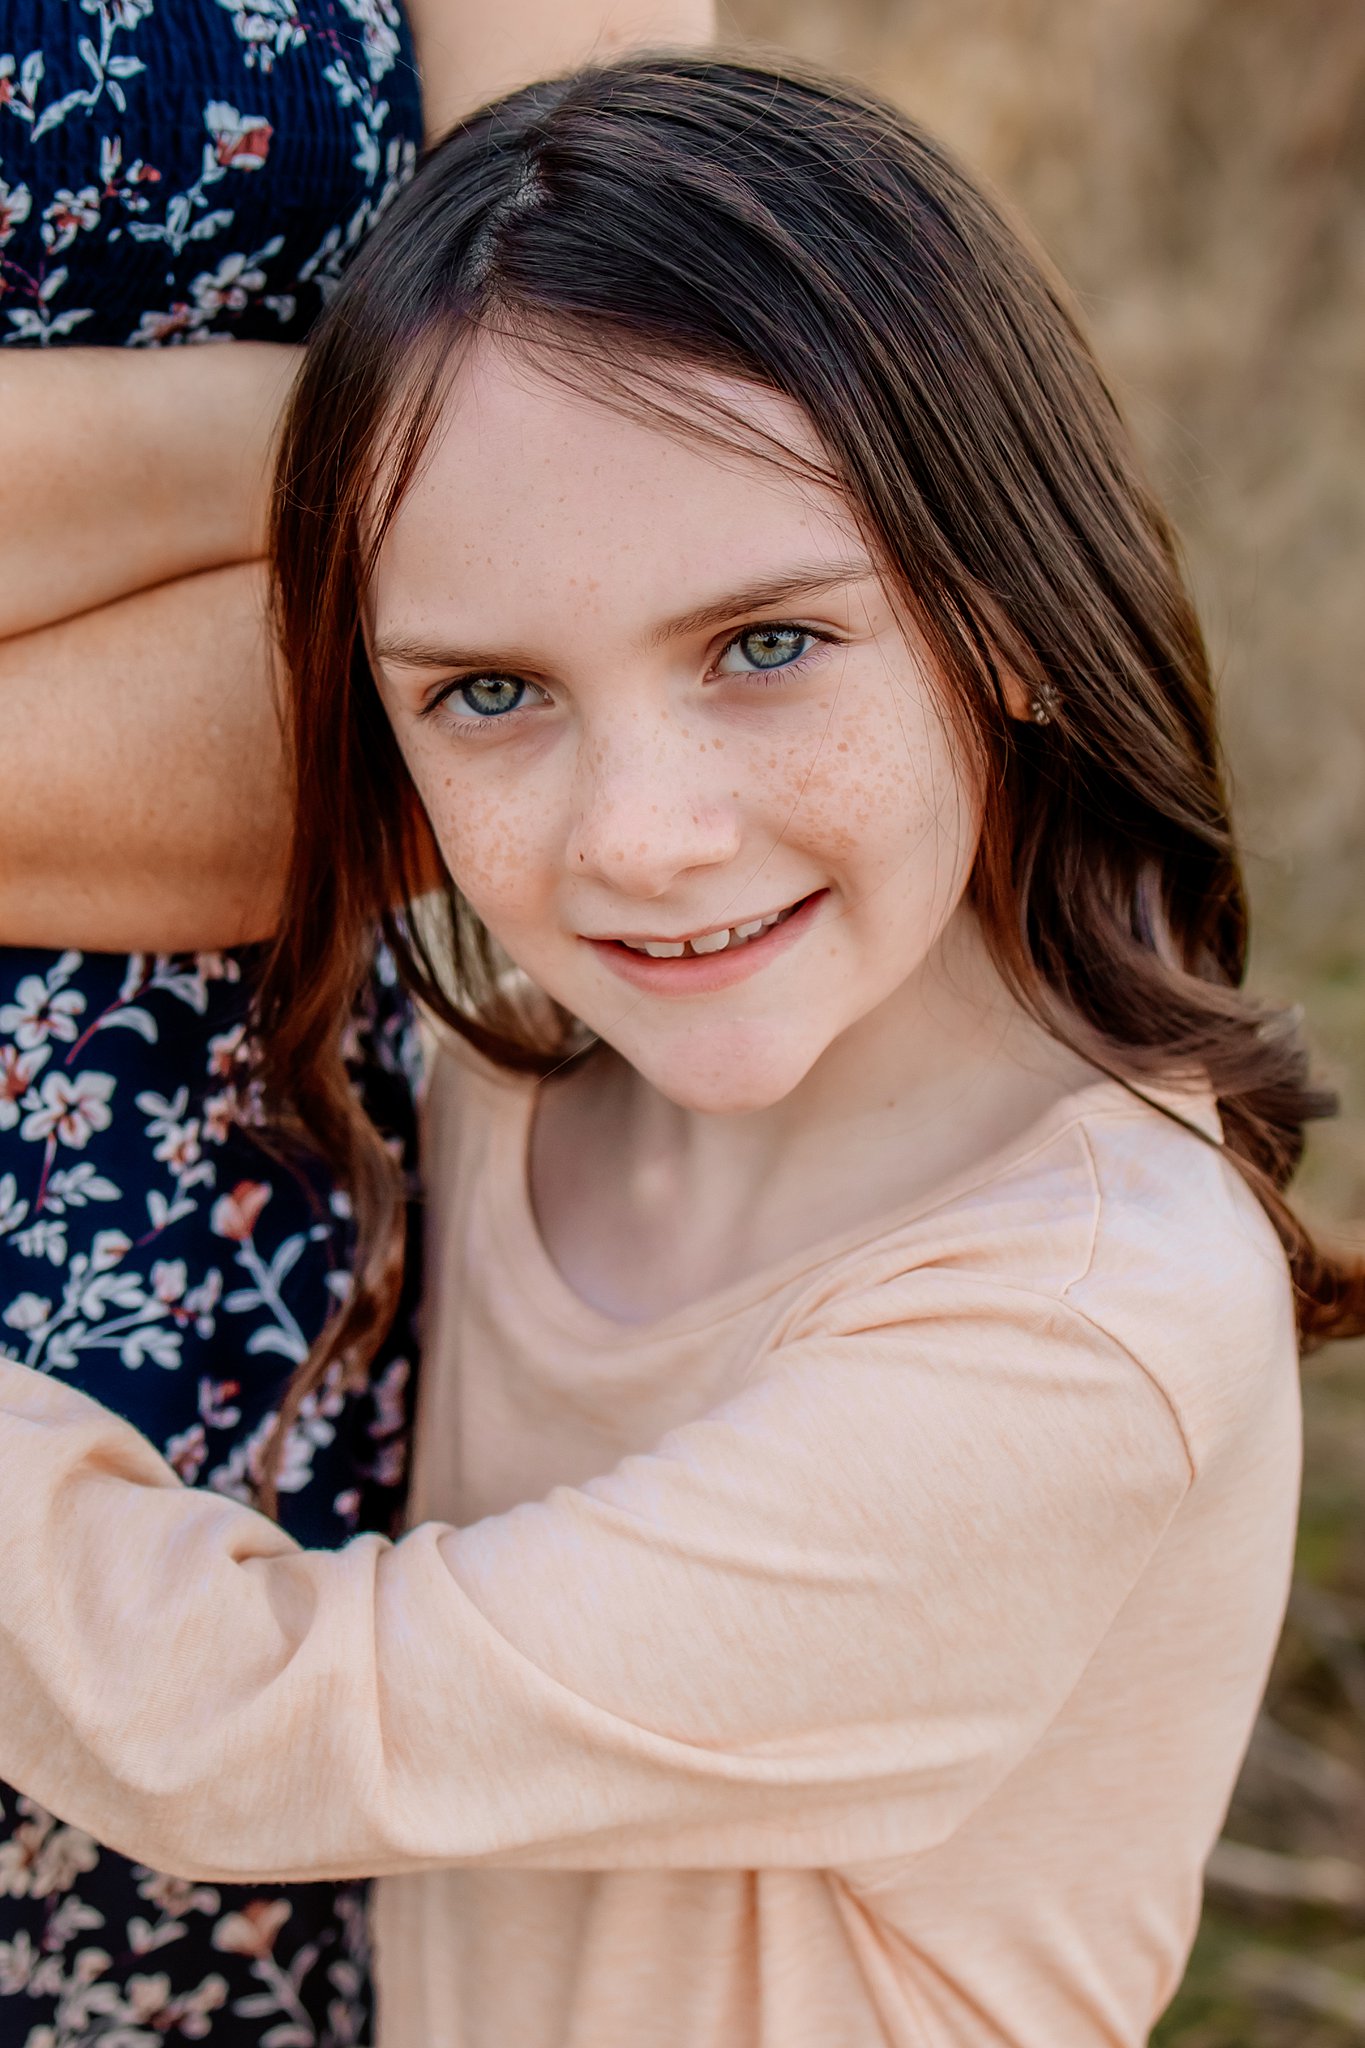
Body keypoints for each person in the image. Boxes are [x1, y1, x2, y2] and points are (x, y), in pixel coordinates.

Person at [2, 53, 1362, 2048]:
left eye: (761, 646)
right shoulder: (547, 1078)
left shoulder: (1084, 1319)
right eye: (489, 690)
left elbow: (251, 1720)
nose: (640, 833)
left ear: (998, 605)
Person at [0, 7, 709, 2043]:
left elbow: (553, 612)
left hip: (213, 1332)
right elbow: (513, 466)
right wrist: (366, 418)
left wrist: (519, 449)